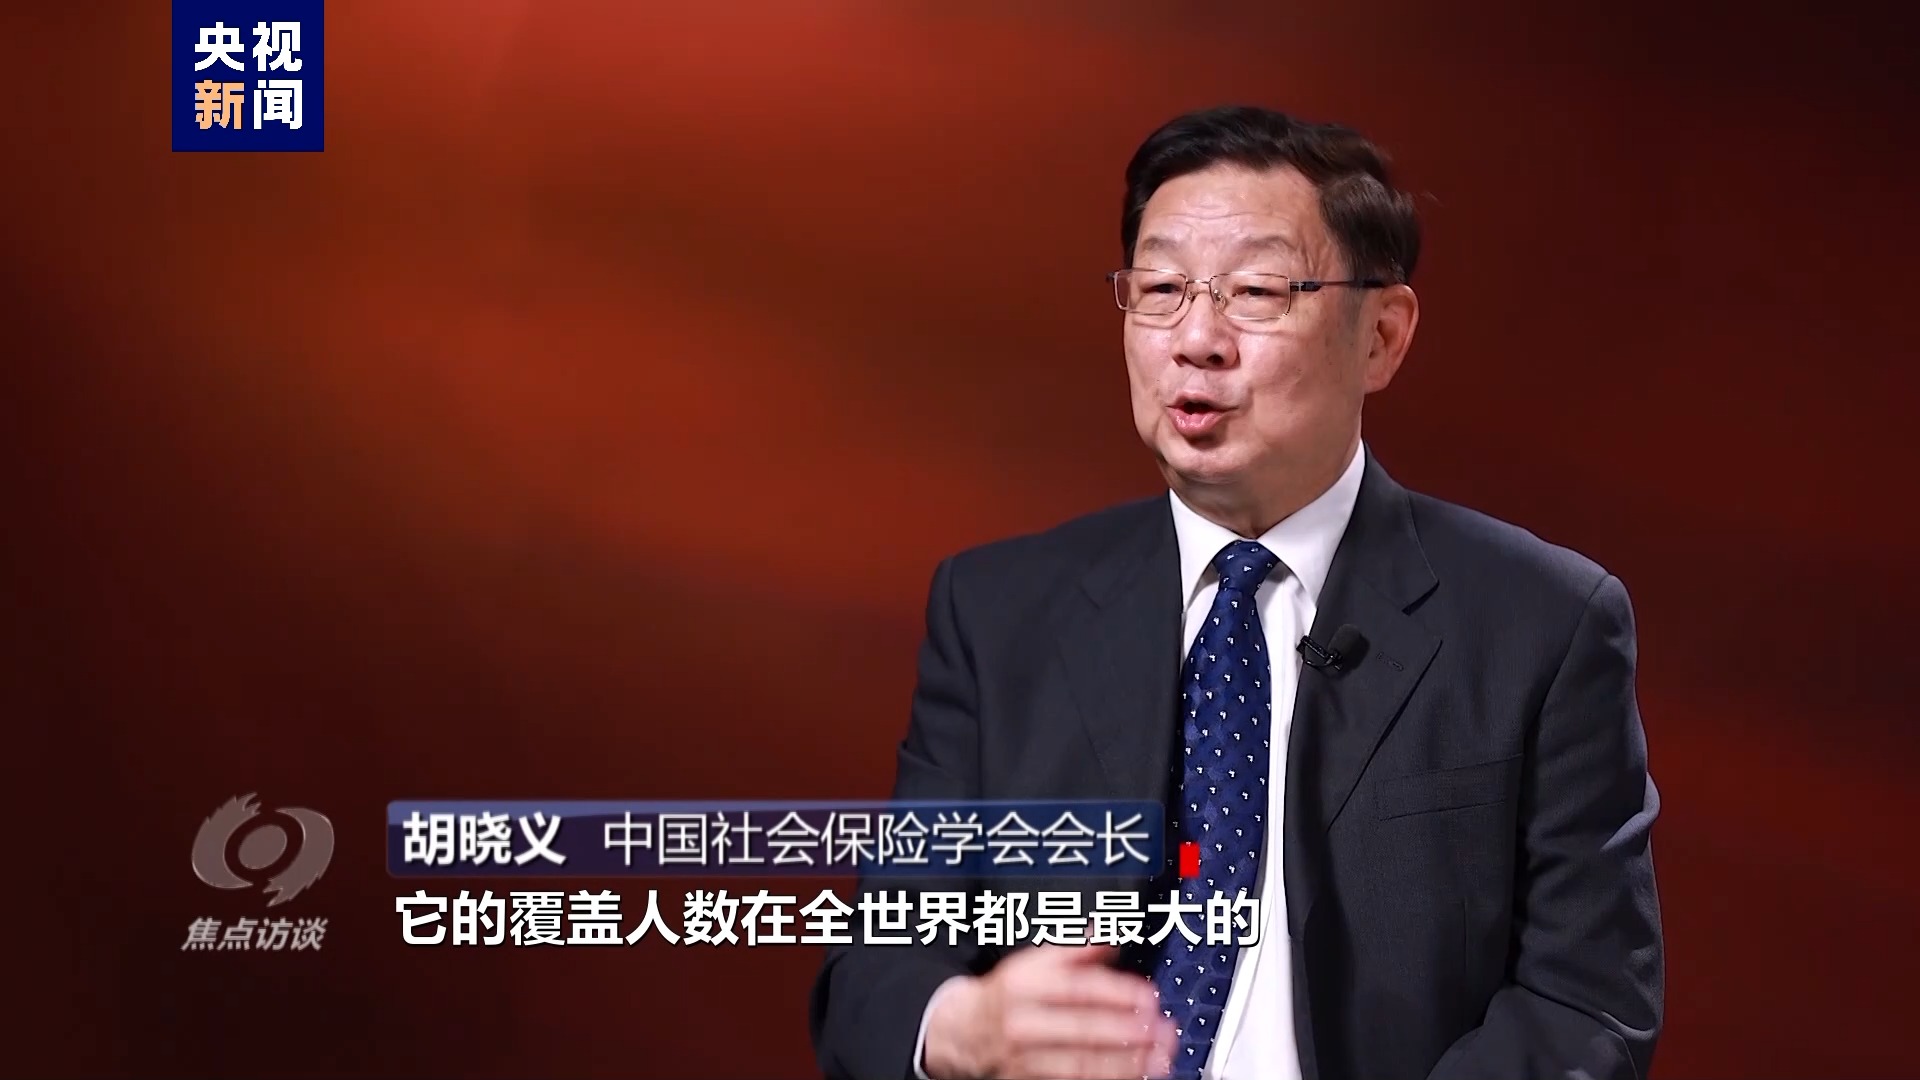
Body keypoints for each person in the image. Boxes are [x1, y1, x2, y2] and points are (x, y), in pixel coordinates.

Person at [808, 104, 1664, 1080]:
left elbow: (1585, 1004)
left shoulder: (1542, 625)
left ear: (1382, 335)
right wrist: (968, 1024)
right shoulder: (997, 613)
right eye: (1161, 289)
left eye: (1256, 291)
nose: (1197, 339)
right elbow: (874, 975)